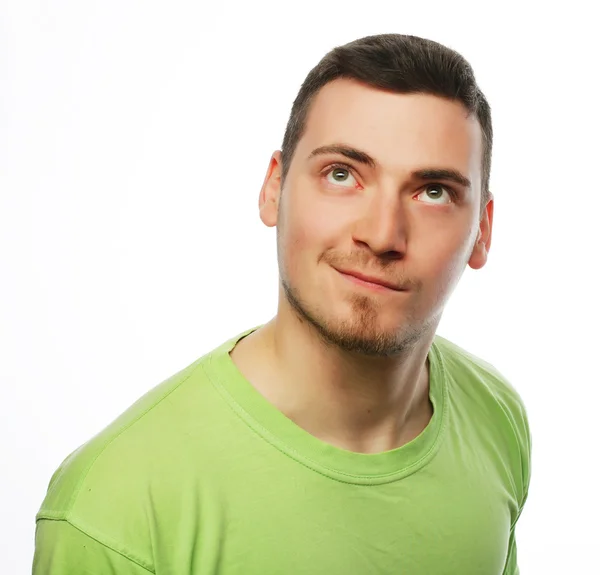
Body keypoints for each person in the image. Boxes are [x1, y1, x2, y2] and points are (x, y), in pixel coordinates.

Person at [33, 33, 531, 574]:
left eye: (432, 190)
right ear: (274, 189)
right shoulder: (117, 509)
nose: (382, 233)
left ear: (482, 230)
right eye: (342, 174)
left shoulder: (495, 417)